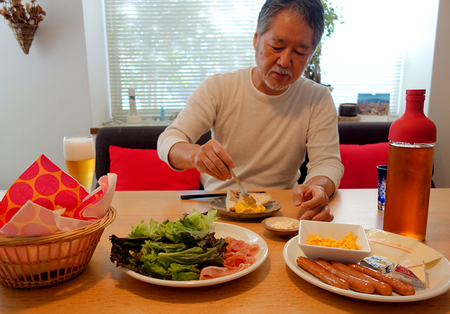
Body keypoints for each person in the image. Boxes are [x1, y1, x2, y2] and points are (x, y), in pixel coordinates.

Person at [157, 0, 344, 222]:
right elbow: (169, 139)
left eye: (300, 52)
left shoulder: (317, 98)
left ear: (311, 53)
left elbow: (327, 163)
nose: (285, 61)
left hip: (283, 210)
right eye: (276, 46)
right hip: (221, 208)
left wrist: (318, 187)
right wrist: (195, 155)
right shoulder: (219, 88)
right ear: (256, 39)